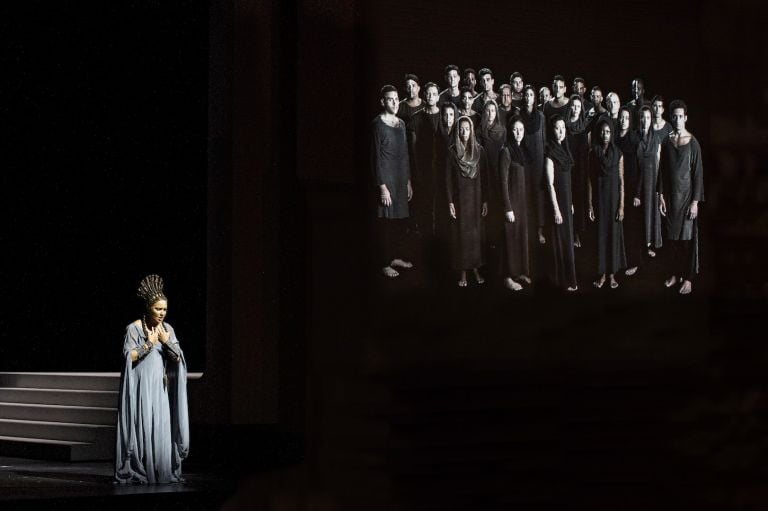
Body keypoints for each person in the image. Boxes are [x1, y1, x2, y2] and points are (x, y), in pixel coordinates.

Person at [115, 274, 188, 484]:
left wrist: (166, 342)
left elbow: (177, 358)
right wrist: (148, 344)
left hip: (159, 388)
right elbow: (129, 356)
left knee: (160, 426)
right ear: (149, 307)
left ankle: (159, 468)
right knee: (143, 424)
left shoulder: (167, 330)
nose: (162, 313)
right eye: (158, 309)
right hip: (140, 387)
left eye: (164, 309)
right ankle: (140, 468)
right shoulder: (134, 329)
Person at [658, 100, 704, 295]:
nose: (677, 120)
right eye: (674, 116)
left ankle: (688, 279)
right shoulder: (666, 141)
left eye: (680, 117)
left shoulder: (693, 143)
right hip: (670, 199)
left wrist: (695, 202)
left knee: (686, 242)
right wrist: (660, 197)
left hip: (686, 199)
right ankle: (675, 274)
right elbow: (662, 173)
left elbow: (698, 175)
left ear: (686, 118)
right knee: (672, 242)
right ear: (671, 118)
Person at [371, 85, 413, 278]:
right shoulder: (377, 124)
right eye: (390, 99)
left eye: (397, 99)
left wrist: (408, 182)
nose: (395, 102)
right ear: (383, 102)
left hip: (400, 180)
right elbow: (375, 158)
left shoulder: (401, 124)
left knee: (399, 223)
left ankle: (395, 257)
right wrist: (382, 188)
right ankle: (384, 263)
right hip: (387, 182)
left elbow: (405, 155)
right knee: (386, 224)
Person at [447, 116, 489, 287]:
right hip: (460, 201)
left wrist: (485, 201)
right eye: (461, 129)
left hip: (476, 198)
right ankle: (463, 271)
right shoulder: (451, 151)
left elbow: (486, 178)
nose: (464, 132)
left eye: (467, 128)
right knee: (462, 236)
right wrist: (450, 202)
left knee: (475, 235)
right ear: (457, 131)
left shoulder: (480, 151)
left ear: (472, 130)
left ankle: (475, 268)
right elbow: (447, 179)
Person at [587, 119, 627, 289]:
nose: (605, 135)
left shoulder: (618, 153)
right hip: (599, 200)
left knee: (613, 236)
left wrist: (621, 206)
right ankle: (602, 274)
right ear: (599, 133)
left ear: (612, 134)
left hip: (614, 201)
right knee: (600, 236)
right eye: (603, 132)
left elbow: (621, 181)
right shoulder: (593, 153)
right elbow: (589, 180)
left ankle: (612, 275)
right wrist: (589, 204)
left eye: (608, 132)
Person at [545, 115, 578, 292]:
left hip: (566, 204)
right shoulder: (550, 152)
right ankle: (562, 282)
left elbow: (568, 182)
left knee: (567, 241)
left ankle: (571, 280)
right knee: (559, 242)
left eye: (563, 128)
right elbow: (550, 184)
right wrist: (557, 210)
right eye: (557, 128)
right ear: (552, 130)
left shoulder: (565, 150)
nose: (560, 132)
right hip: (557, 205)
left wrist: (570, 203)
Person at [498, 116, 531, 290]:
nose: (519, 133)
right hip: (511, 203)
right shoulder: (506, 151)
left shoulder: (522, 150)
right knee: (509, 239)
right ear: (510, 131)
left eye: (521, 130)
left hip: (522, 203)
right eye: (515, 129)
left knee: (520, 237)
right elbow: (502, 182)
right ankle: (507, 277)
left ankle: (519, 272)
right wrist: (508, 208)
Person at [476, 100, 507, 283]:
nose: (490, 113)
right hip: (484, 178)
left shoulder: (502, 132)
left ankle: (500, 265)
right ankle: (487, 263)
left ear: (497, 112)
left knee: (499, 221)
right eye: (487, 110)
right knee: (487, 222)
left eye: (493, 110)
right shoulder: (479, 132)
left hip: (499, 178)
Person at [407, 82, 441, 239]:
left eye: (434, 94)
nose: (430, 96)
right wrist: (416, 171)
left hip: (441, 167)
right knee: (424, 203)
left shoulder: (444, 115)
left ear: (438, 96)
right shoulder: (416, 118)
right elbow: (412, 150)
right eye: (428, 93)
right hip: (423, 168)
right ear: (424, 95)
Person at [615, 106, 642, 275]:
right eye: (621, 117)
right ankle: (621, 260)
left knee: (632, 227)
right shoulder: (615, 138)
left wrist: (638, 194)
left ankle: (635, 261)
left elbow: (641, 170)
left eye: (626, 118)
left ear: (630, 120)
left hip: (632, 190)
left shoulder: (635, 139)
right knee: (621, 226)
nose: (624, 120)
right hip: (619, 186)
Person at [520, 85, 547, 248]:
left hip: (538, 161)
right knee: (525, 195)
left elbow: (543, 141)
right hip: (524, 161)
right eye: (526, 95)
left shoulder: (542, 117)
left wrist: (544, 164)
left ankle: (539, 230)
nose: (529, 97)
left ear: (534, 97)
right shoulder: (518, 115)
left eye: (531, 94)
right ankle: (527, 230)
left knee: (538, 196)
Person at [635, 105, 663, 257]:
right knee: (641, 217)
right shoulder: (636, 139)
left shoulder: (657, 138)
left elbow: (659, 163)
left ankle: (652, 244)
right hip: (640, 183)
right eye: (642, 117)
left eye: (647, 118)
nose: (645, 121)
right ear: (639, 120)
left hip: (654, 182)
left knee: (653, 213)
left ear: (651, 120)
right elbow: (637, 167)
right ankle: (644, 246)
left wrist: (660, 187)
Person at [565, 94, 590, 249]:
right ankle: (569, 232)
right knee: (568, 199)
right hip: (568, 167)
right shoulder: (565, 125)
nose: (575, 109)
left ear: (581, 109)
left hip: (580, 168)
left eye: (578, 106)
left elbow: (587, 150)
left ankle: (578, 234)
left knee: (580, 200)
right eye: (573, 106)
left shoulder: (585, 126)